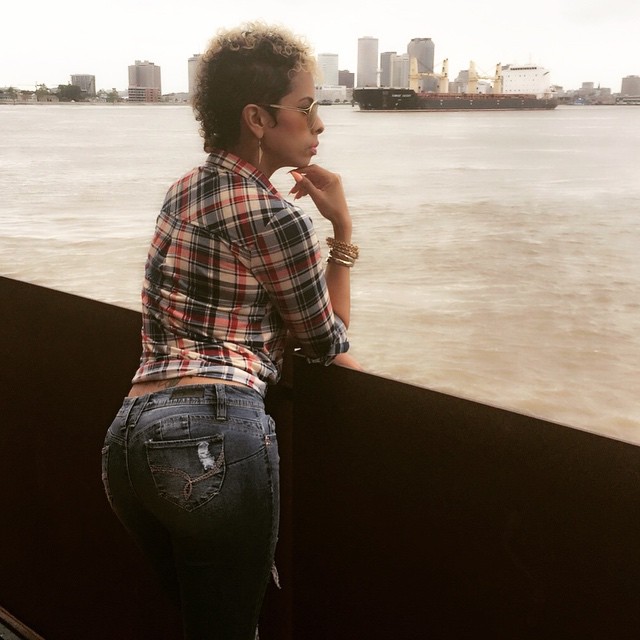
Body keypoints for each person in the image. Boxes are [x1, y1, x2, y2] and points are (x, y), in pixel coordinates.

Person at [101, 21, 359, 640]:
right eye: (306, 107)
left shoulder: (184, 191)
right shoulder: (277, 218)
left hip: (129, 439)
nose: (320, 124)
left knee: (205, 622)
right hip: (213, 433)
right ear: (258, 119)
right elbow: (326, 341)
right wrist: (343, 236)